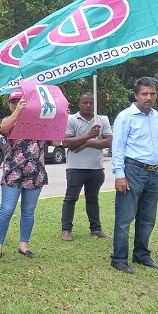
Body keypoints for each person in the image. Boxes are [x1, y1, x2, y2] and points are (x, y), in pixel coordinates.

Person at [110, 77, 158, 274]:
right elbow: (117, 148)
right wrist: (119, 175)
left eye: (152, 93)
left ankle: (141, 255)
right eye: (144, 93)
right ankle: (119, 259)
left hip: (153, 173)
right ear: (136, 95)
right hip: (132, 171)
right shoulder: (125, 117)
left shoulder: (155, 116)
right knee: (125, 218)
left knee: (147, 218)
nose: (148, 97)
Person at [0, 89, 49, 260]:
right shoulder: (8, 121)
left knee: (28, 211)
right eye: (14, 101)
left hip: (35, 173)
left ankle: (24, 245)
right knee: (7, 210)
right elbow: (3, 128)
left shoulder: (40, 122)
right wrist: (18, 111)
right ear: (10, 105)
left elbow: (56, 141)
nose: (17, 103)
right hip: (13, 173)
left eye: (21, 101)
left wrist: (61, 118)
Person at [60, 92, 112, 241]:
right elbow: (66, 143)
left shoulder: (102, 120)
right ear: (79, 104)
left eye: (91, 103)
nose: (88, 105)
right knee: (70, 198)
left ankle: (96, 229)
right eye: (85, 102)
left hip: (96, 168)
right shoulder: (71, 120)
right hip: (76, 167)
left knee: (93, 199)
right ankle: (66, 230)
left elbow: (108, 142)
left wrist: (86, 143)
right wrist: (89, 136)